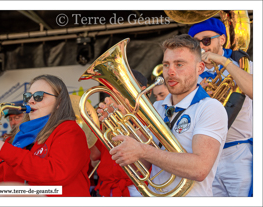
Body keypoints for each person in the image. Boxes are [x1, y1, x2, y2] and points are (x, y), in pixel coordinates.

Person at [97, 34, 228, 196]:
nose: (170, 71)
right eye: (166, 65)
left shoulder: (210, 108)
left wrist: (143, 150)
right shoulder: (158, 106)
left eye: (179, 64)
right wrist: (122, 129)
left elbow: (199, 168)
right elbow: (144, 164)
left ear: (200, 68)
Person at [0, 74, 91, 197]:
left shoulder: (69, 130)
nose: (30, 101)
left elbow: (57, 174)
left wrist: (8, 152)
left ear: (59, 103)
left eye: (39, 96)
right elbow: (2, 181)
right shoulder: (16, 139)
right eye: (28, 96)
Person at [188, 17, 253, 197]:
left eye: (206, 40)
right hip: (206, 156)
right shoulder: (193, 74)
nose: (201, 46)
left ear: (222, 39)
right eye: (195, 43)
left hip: (237, 152)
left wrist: (222, 61)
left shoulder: (244, 66)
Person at [90, 70, 148, 197]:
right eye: (111, 90)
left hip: (137, 189)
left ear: (142, 90)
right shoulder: (108, 120)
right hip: (107, 188)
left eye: (120, 89)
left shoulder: (148, 120)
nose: (113, 95)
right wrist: (89, 128)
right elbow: (95, 156)